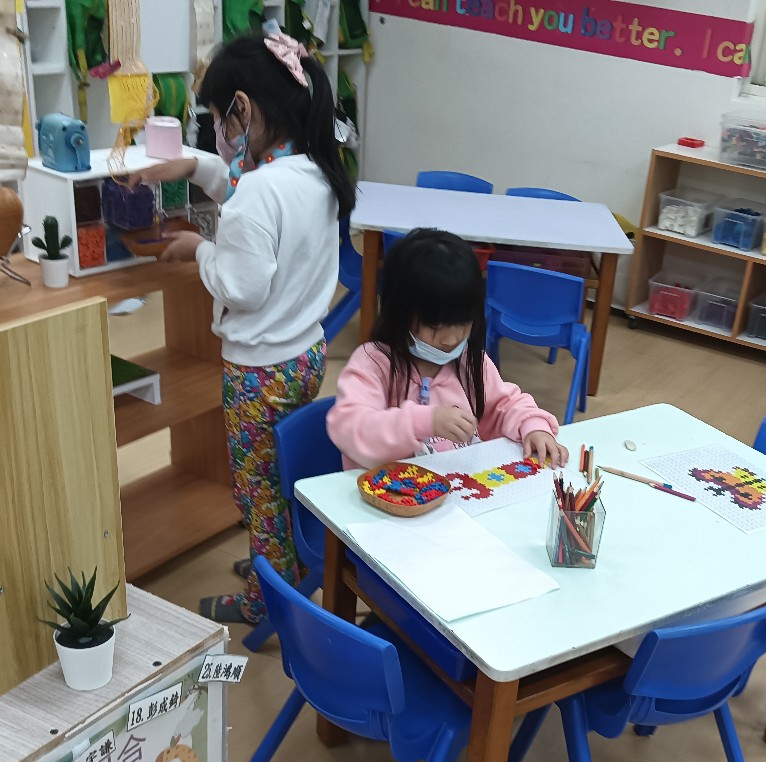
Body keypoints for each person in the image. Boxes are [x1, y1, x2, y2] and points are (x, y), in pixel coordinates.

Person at [130, 31, 355, 625]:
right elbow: (244, 188)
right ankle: (276, 562)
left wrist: (198, 249)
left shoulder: (260, 190)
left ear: (244, 108)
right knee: (281, 474)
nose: (218, 133)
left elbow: (241, 285)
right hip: (305, 354)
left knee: (257, 490)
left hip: (258, 374)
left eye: (217, 118)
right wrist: (192, 166)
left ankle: (266, 602)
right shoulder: (313, 169)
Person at [326, 228, 569, 472]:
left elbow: (504, 405)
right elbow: (351, 427)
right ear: (401, 313)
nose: (452, 338)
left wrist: (533, 427)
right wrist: (424, 421)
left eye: (464, 323)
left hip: (458, 488)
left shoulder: (470, 362)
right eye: (435, 326)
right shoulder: (373, 363)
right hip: (389, 490)